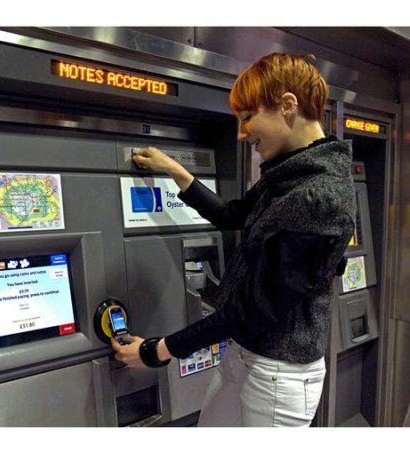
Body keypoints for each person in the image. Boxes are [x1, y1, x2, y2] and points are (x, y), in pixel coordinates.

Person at [111, 53, 356, 427]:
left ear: (288, 105)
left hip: (279, 374)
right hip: (245, 353)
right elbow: (231, 215)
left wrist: (157, 351)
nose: (242, 133)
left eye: (247, 116)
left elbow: (249, 311)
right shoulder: (290, 175)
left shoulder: (319, 197)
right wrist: (175, 171)